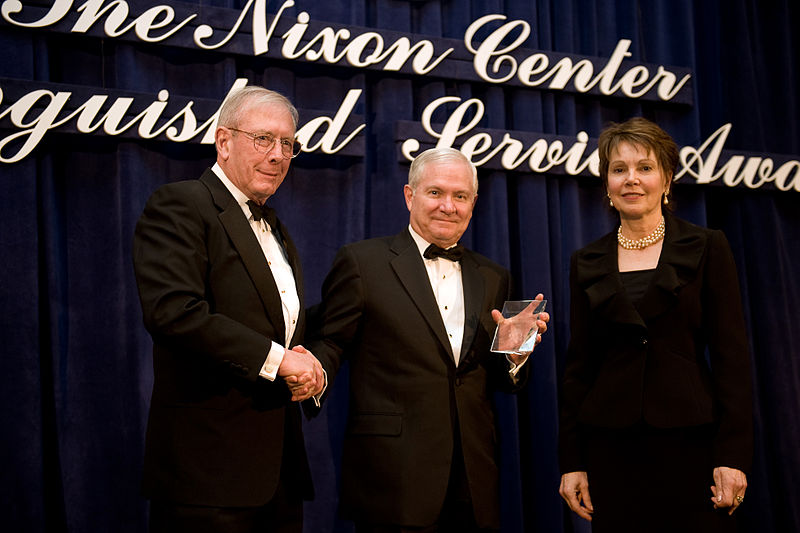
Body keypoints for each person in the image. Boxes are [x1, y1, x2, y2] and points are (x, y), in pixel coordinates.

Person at [310, 147, 549, 532]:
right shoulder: (362, 262)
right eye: (435, 193)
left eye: (460, 196)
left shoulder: (493, 276)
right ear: (410, 196)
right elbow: (331, 342)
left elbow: (501, 382)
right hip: (393, 473)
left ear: (473, 202)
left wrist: (515, 355)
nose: (448, 206)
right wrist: (310, 373)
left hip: (472, 473)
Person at [132, 86, 324, 533]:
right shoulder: (181, 204)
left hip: (277, 476)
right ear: (223, 141)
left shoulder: (274, 223)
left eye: (287, 144)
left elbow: (281, 327)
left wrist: (312, 362)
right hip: (207, 475)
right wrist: (280, 360)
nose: (277, 155)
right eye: (263, 139)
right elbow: (174, 313)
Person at [558, 117, 753, 532]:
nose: (632, 179)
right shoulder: (586, 261)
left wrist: (733, 455)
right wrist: (572, 462)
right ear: (607, 184)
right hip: (611, 450)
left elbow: (732, 360)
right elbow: (579, 370)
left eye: (644, 168)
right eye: (619, 169)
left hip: (691, 446)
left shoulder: (707, 246)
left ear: (667, 179)